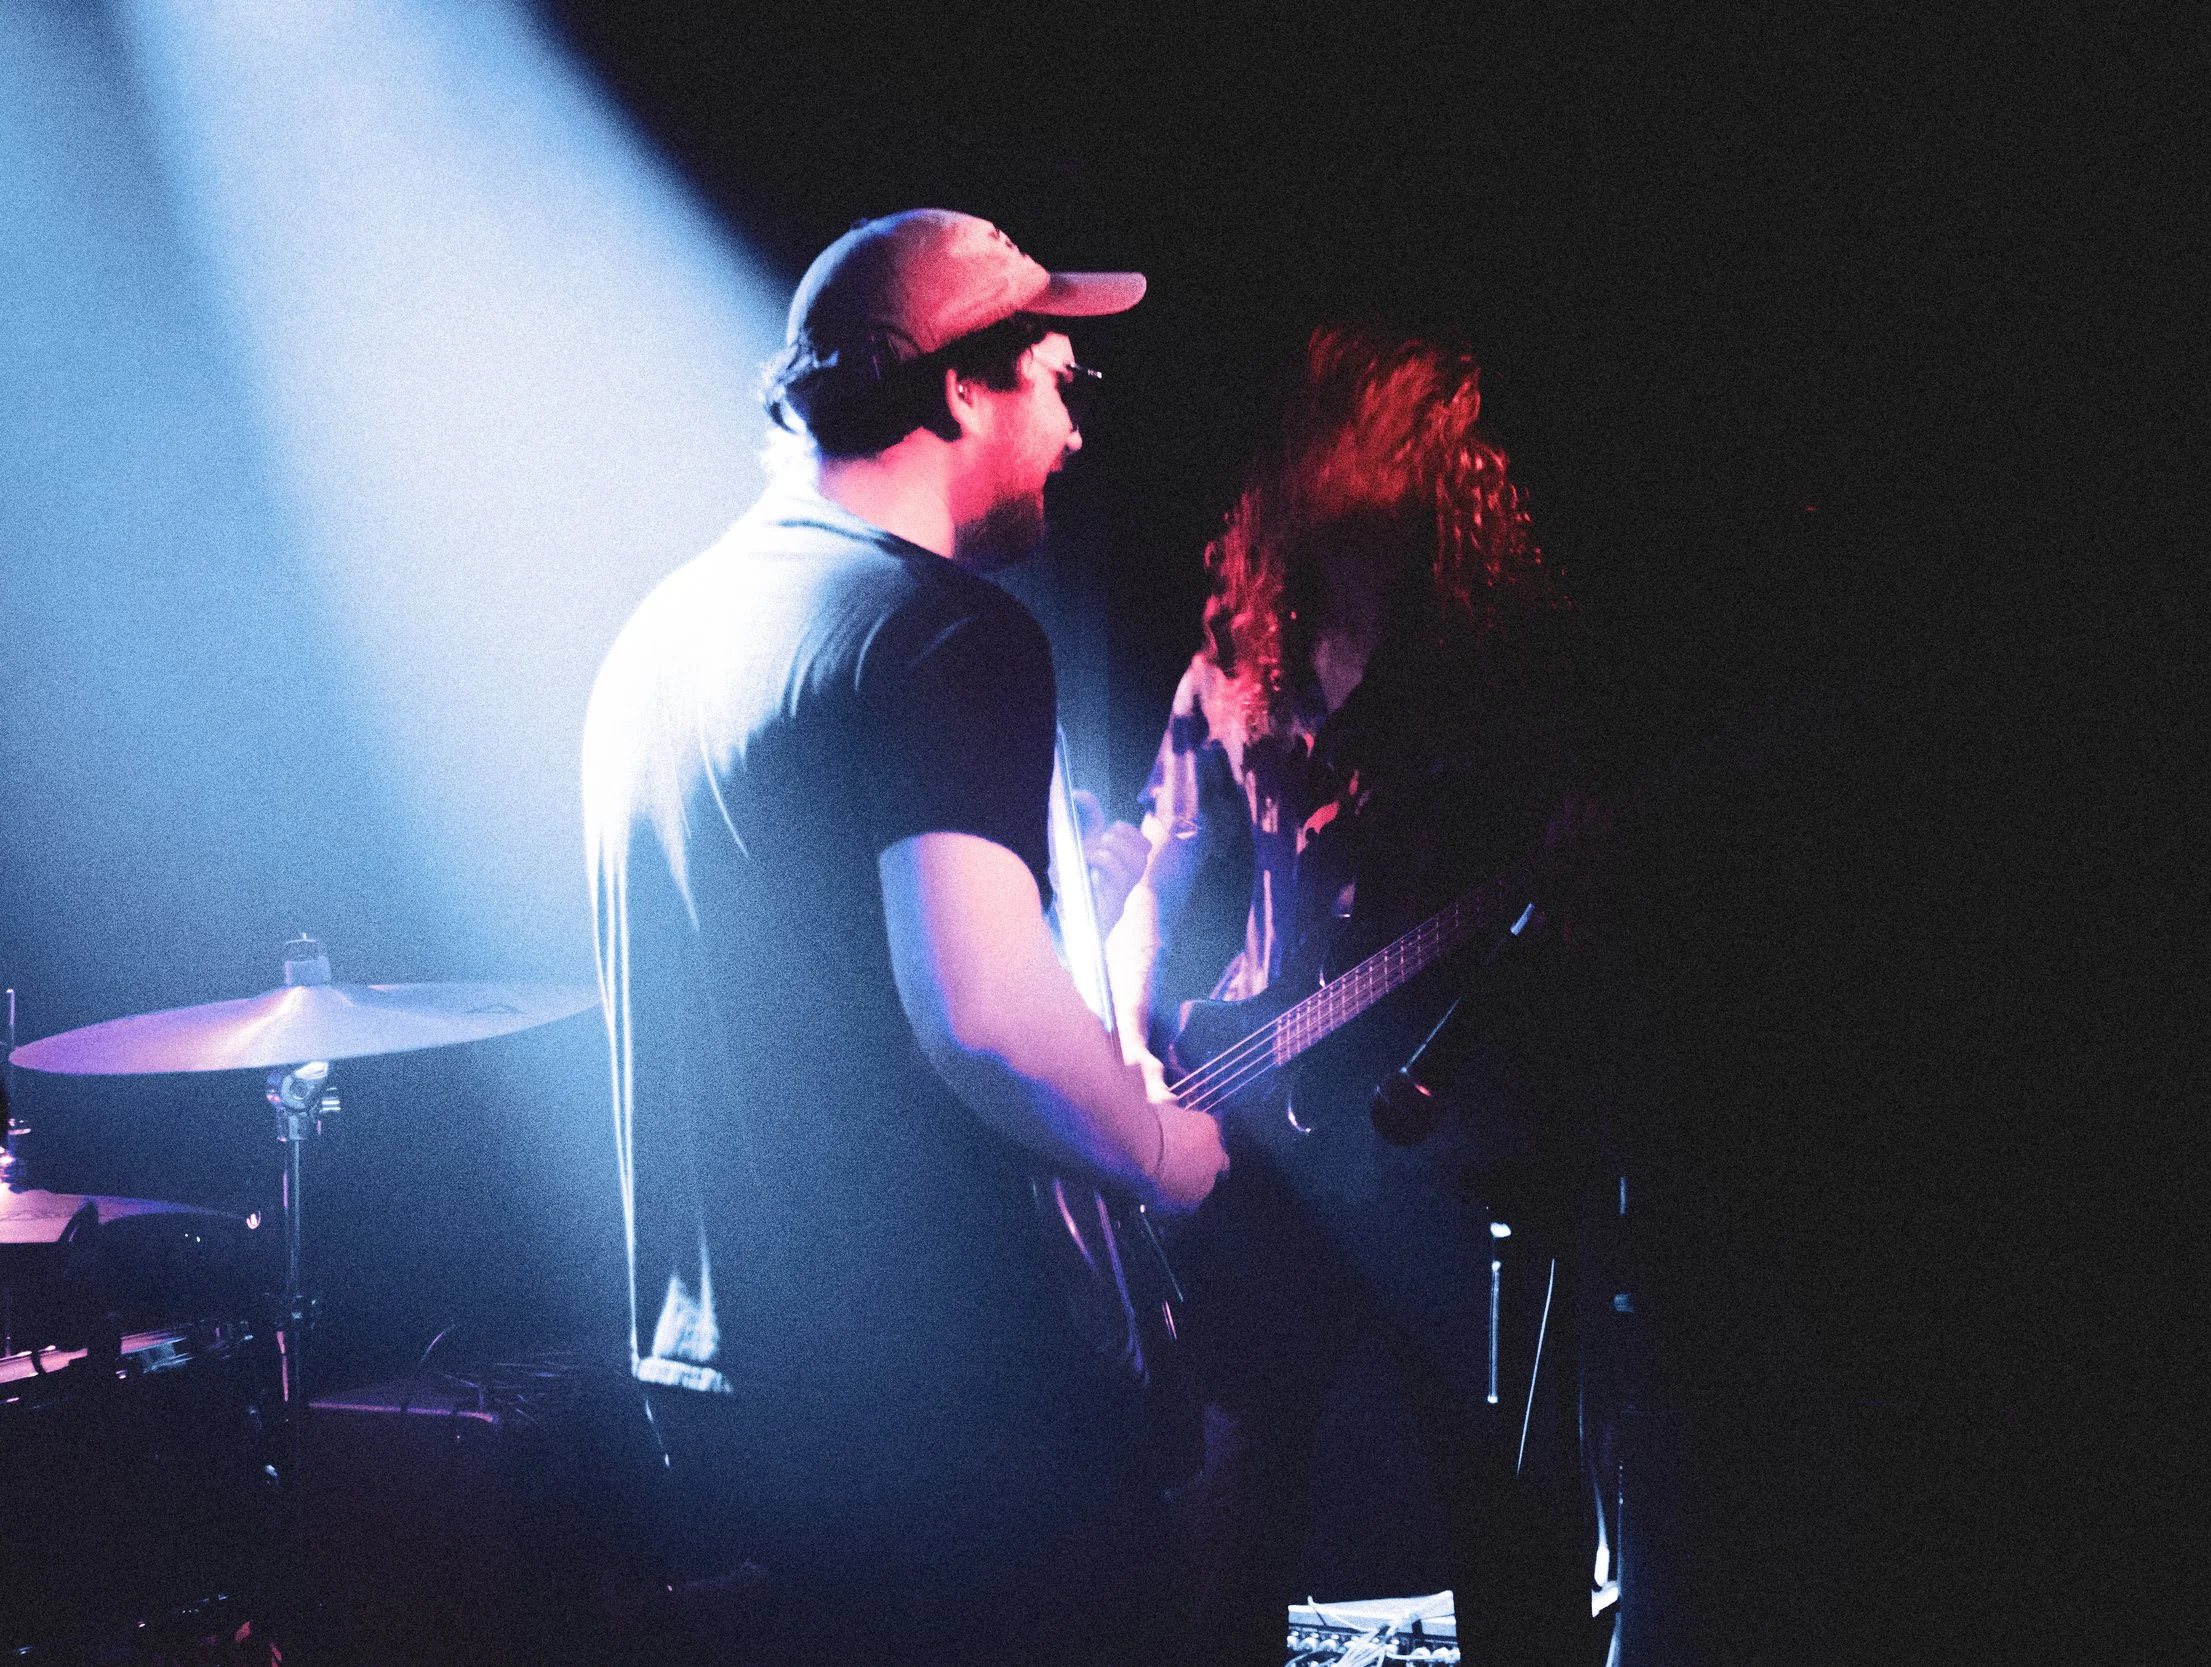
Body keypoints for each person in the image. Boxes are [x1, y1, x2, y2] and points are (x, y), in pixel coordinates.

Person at [582, 208, 1226, 1666]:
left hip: (722, 1394)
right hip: (949, 1408)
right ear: (957, 387)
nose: (1074, 433)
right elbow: (984, 1011)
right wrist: (1167, 1150)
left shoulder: (661, 638)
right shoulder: (937, 633)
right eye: (1063, 381)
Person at [1103, 323, 1613, 1666]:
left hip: (1450, 1133)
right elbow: (1164, 868)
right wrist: (1130, 1050)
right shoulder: (1230, 650)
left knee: (1504, 1503)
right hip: (1263, 1118)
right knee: (1236, 1487)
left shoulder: (1505, 660)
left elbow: (1566, 912)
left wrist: (1571, 884)